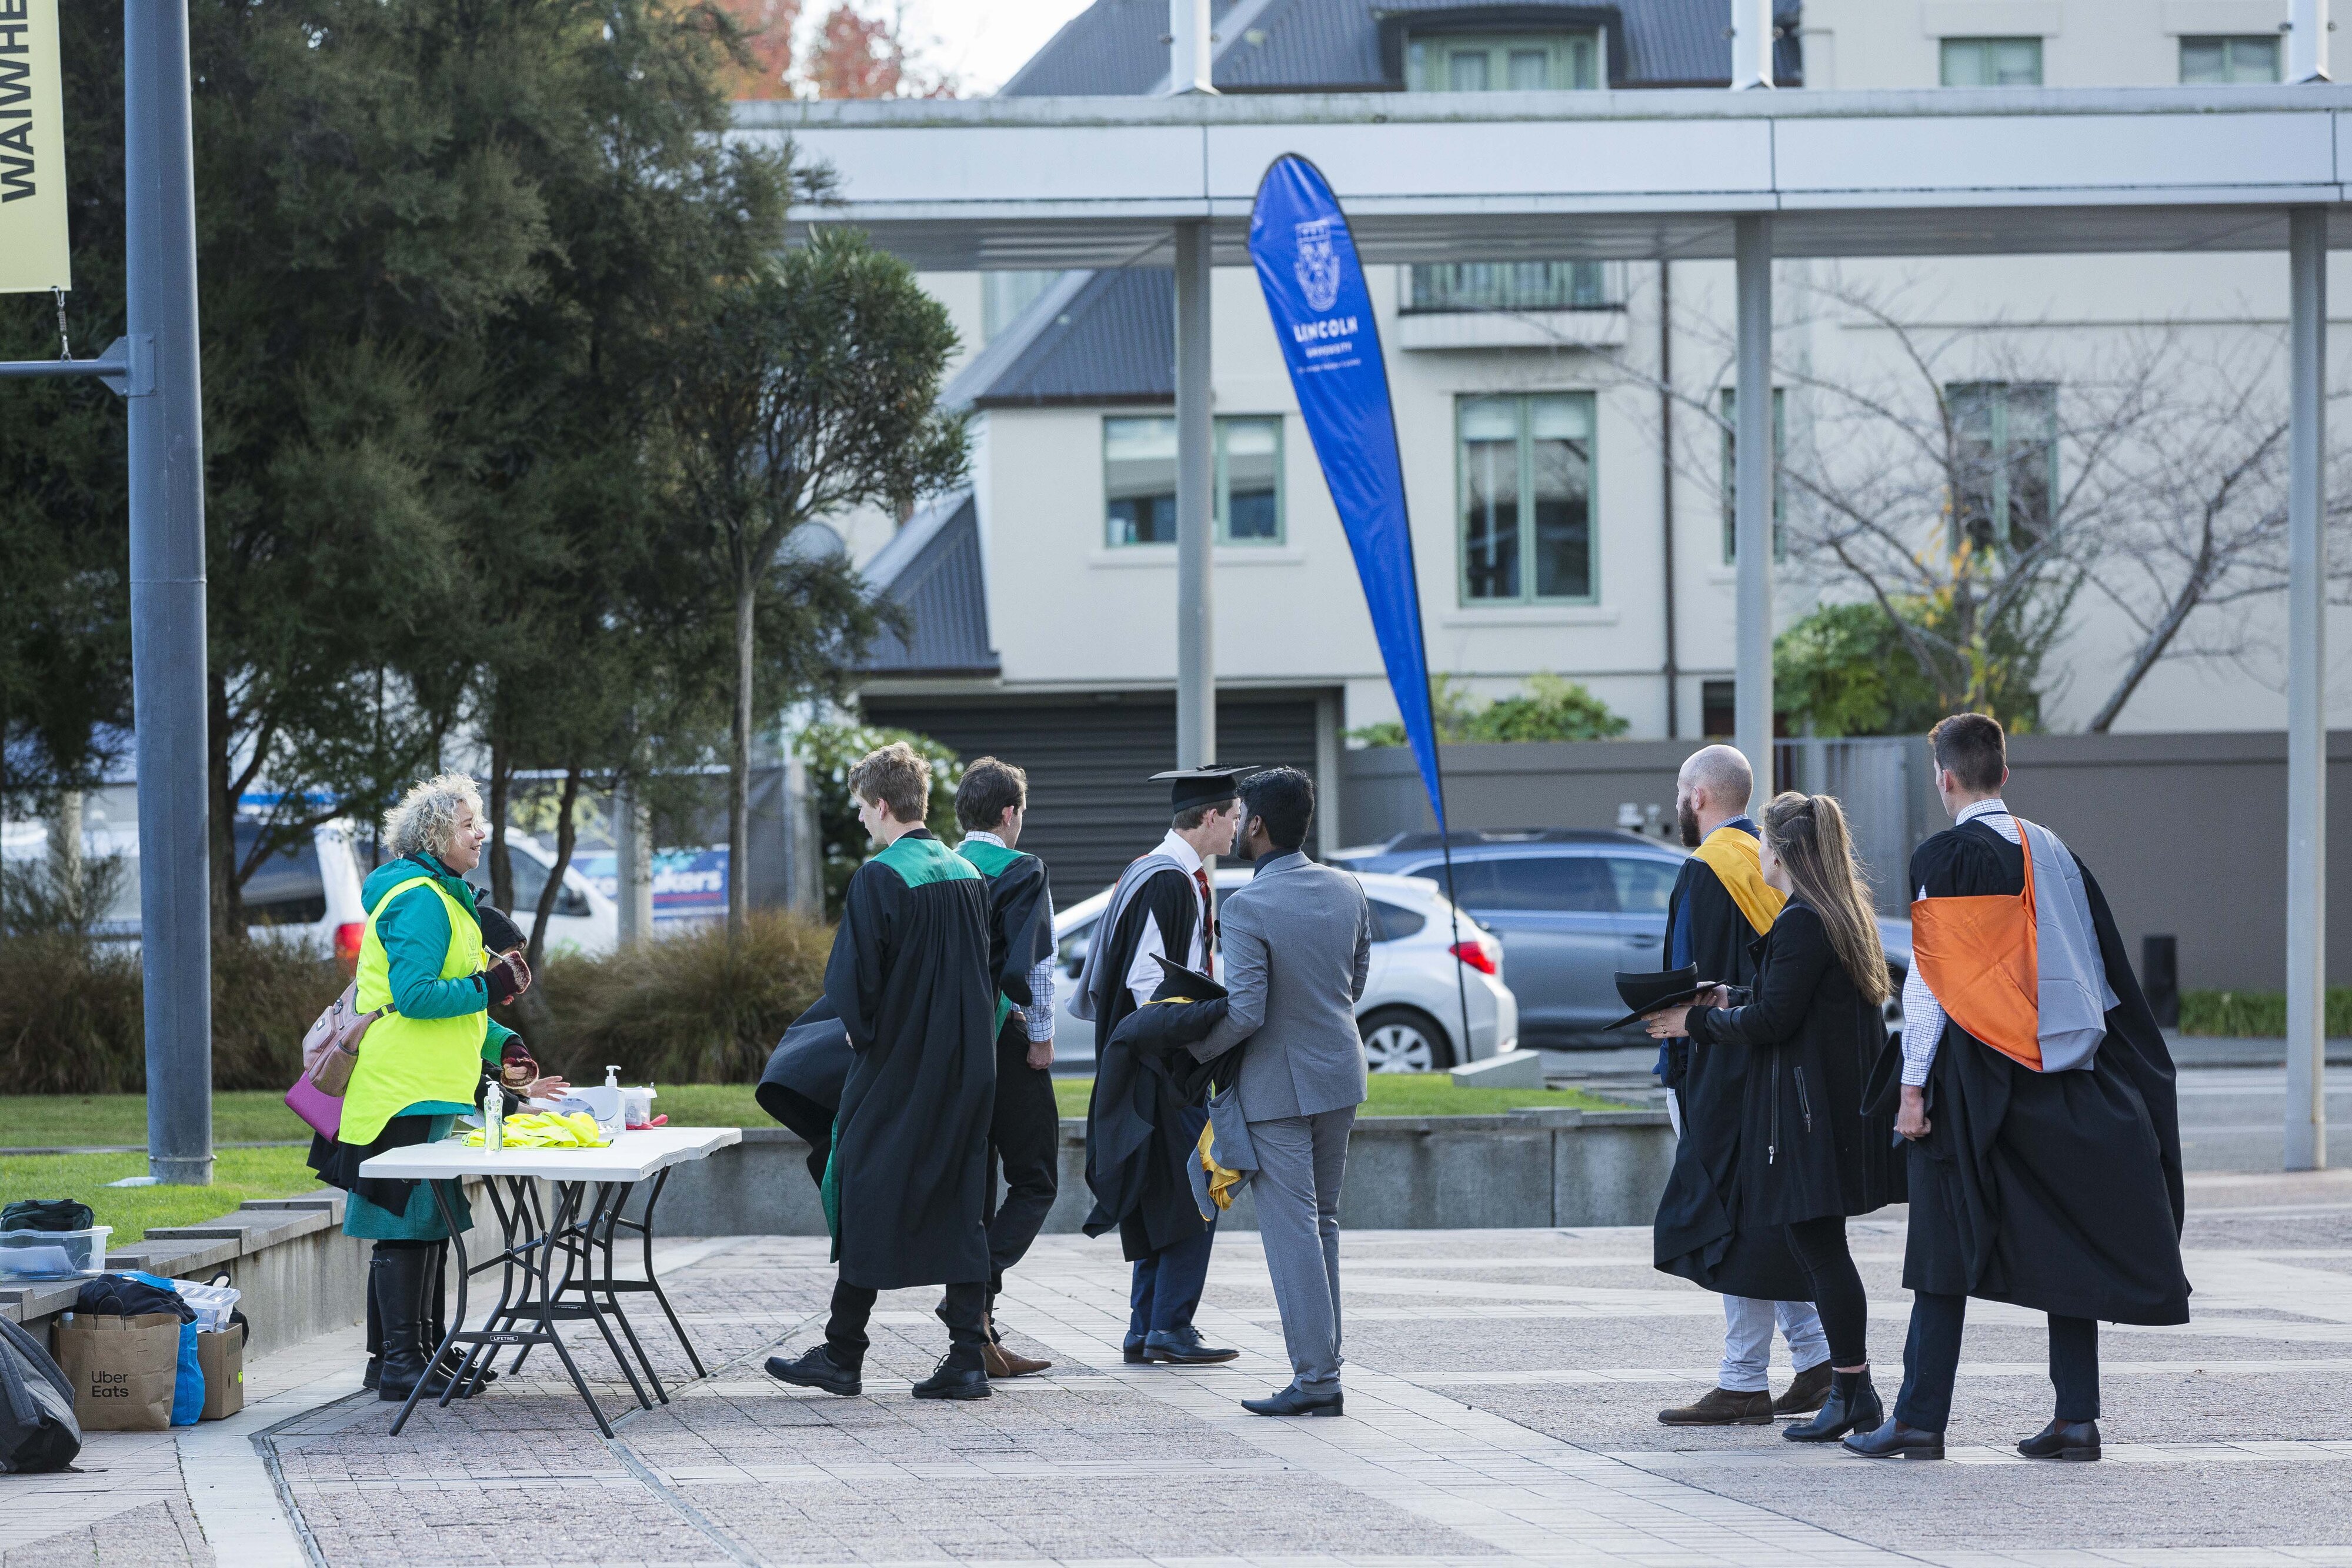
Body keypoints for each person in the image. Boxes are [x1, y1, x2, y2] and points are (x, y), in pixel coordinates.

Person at [1845, 713, 2191, 1463]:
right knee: (2069, 1240)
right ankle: (2076, 1419)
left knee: (1941, 1244)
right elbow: (2099, 969)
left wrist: (1912, 1086)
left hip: (1975, 1082)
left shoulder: (1947, 855)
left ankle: (1919, 1418)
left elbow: (1932, 983)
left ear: (1945, 778)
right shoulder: (2055, 851)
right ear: (2003, 773)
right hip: (2066, 1076)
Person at [1646, 792, 1904, 1444]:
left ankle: (1852, 1390)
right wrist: (1729, 996)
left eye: (1762, 841)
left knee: (1822, 1253)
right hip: (1829, 1113)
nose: (1755, 851)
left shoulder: (1802, 921)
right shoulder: (1833, 913)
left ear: (1783, 853)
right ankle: (1844, 1386)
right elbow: (1788, 999)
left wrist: (1694, 1021)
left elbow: (1773, 1020)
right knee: (1817, 1250)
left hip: (1807, 1120)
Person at [766, 742, 999, 1402]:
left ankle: (843, 1354)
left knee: (863, 1188)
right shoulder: (967, 872)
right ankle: (967, 1357)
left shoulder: (880, 877)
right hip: (967, 1065)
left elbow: (855, 984)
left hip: (900, 1066)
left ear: (883, 805)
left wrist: (858, 1033)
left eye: (864, 810)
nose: (863, 820)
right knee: (961, 1202)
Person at [305, 773, 549, 1403]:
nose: (481, 834)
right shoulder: (420, 899)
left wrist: (503, 1044)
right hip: (402, 1089)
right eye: (469, 825)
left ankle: (418, 1352)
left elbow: (453, 1005)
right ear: (437, 835)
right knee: (408, 1222)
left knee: (425, 1222)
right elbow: (414, 998)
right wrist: (491, 987)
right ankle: (400, 1363)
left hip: (426, 1086)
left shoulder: (443, 896)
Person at [1649, 745, 1833, 1428]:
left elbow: (1687, 979)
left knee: (1734, 1224)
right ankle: (1816, 1358)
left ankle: (1744, 1378)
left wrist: (1678, 1057)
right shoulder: (1773, 862)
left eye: (1680, 791)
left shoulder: (1706, 869)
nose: (1679, 802)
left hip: (1715, 1066)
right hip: (1772, 1065)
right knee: (1766, 1221)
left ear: (1697, 796)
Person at [1190, 767, 1371, 1417]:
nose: (1236, 825)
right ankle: (1324, 1369)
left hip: (1278, 1088)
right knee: (1322, 1224)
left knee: (1294, 1232)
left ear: (1259, 825)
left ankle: (1317, 1379)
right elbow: (1355, 981)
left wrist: (1191, 1048)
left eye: (1240, 816)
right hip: (1340, 1075)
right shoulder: (1347, 887)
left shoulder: (1248, 906)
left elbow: (1245, 1011)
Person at [1075, 766, 1249, 1367]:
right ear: (1210, 816)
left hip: (1147, 1065)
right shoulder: (1168, 882)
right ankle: (1170, 1326)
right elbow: (1145, 985)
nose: (1238, 827)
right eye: (1233, 816)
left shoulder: (1156, 871)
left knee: (1162, 1194)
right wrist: (1219, 1012)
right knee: (1199, 1187)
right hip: (1161, 1067)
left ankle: (1147, 1327)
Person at [950, 756, 1060, 1380]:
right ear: (1010, 812)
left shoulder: (942, 867)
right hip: (1004, 1038)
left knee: (978, 1189)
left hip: (950, 1048)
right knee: (1036, 1179)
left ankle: (980, 1332)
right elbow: (1036, 961)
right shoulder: (1023, 869)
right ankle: (971, 1292)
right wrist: (1040, 1038)